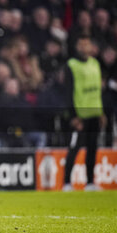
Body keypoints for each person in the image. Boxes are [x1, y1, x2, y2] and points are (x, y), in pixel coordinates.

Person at [63, 35, 106, 191]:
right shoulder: (71, 65)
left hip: (94, 113)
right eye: (81, 44)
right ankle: (67, 182)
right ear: (76, 47)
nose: (84, 47)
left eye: (86, 44)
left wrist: (101, 112)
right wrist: (73, 115)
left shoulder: (95, 63)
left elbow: (97, 92)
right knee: (74, 148)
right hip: (80, 116)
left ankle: (90, 182)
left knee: (92, 149)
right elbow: (68, 92)